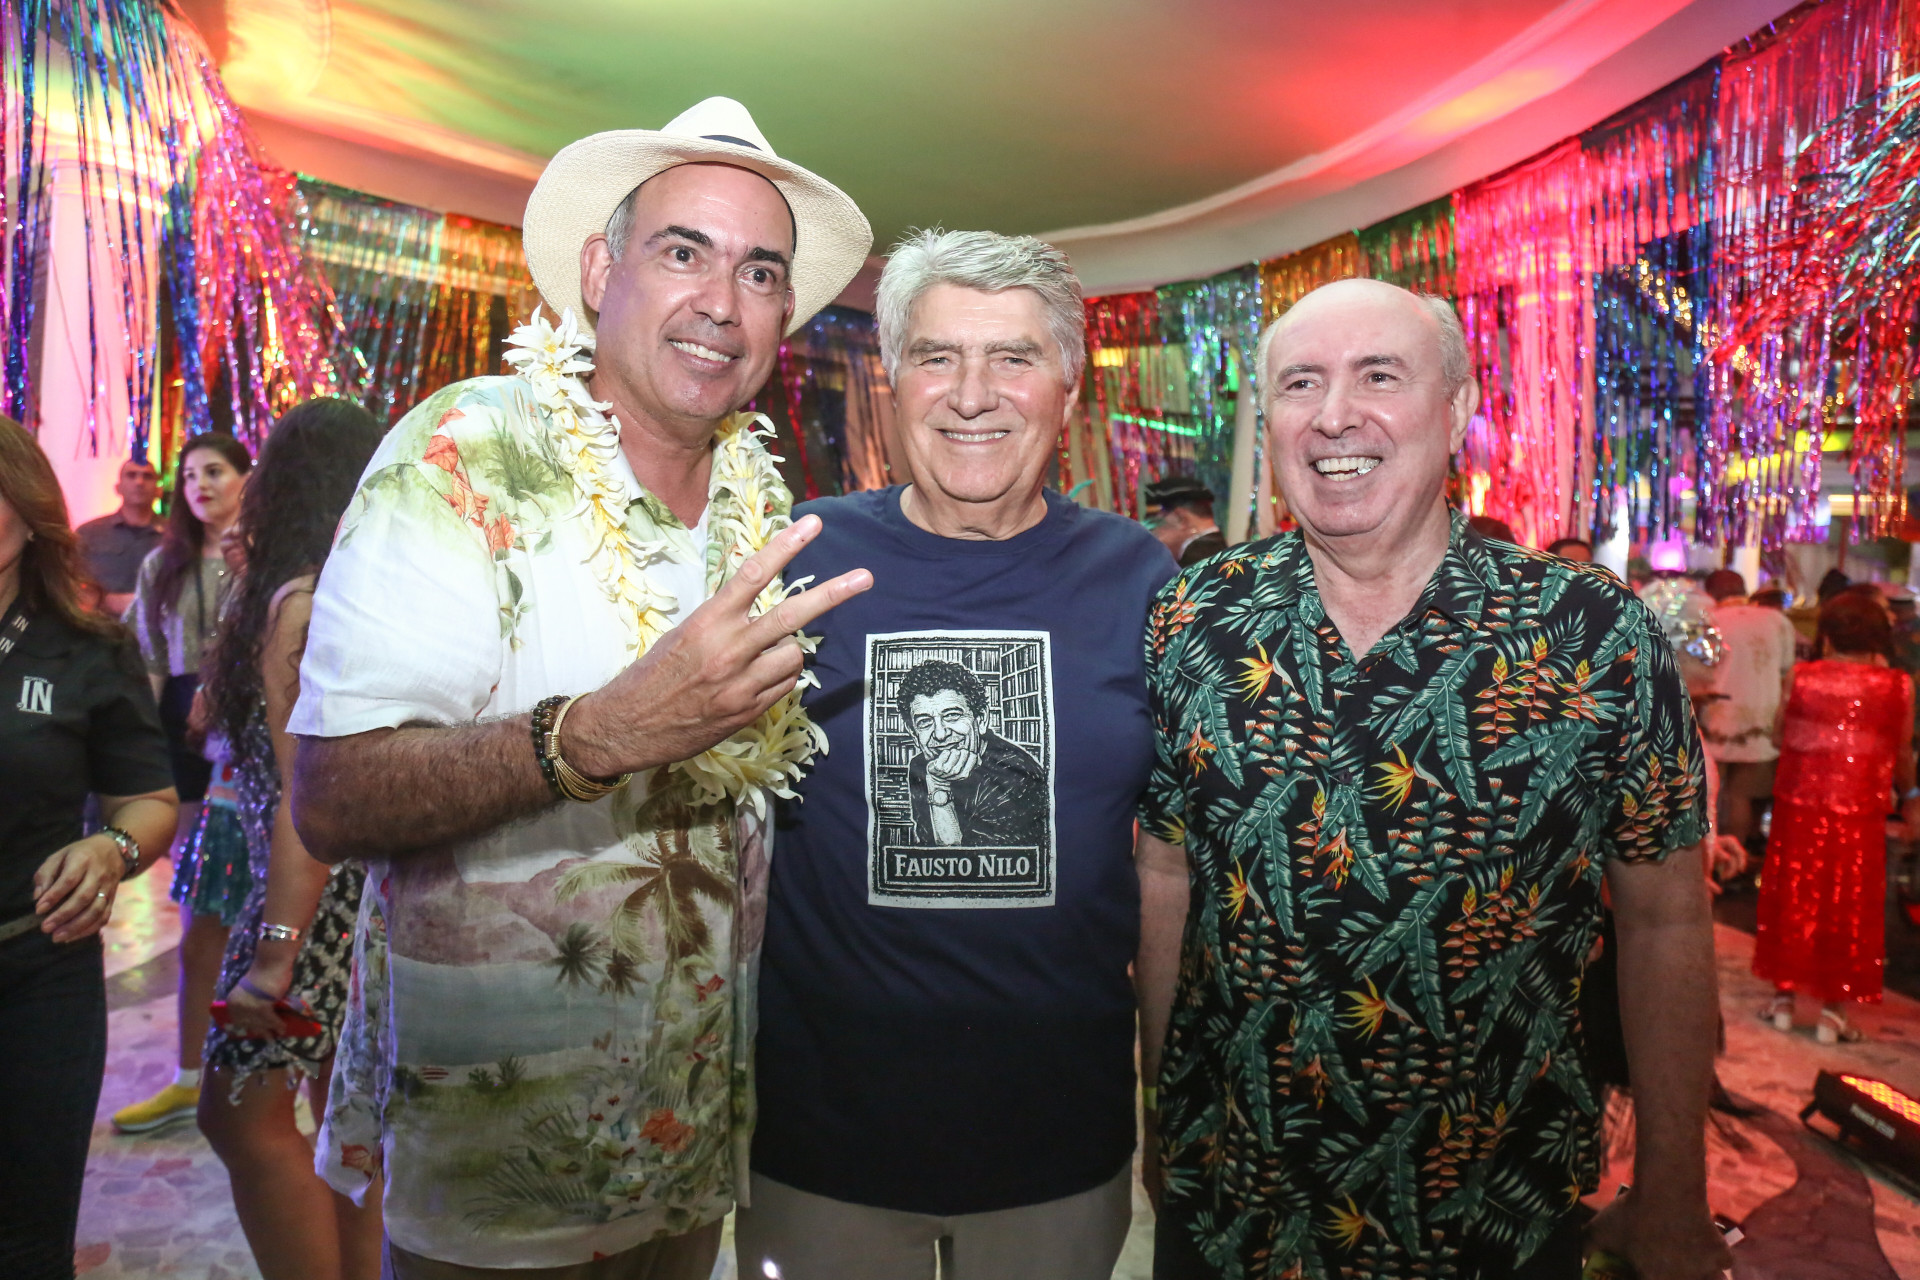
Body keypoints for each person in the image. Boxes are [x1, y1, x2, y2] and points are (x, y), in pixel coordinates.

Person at [287, 97, 873, 1277]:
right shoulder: (466, 449)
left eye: (761, 271)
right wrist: (594, 735)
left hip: (690, 1147)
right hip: (503, 1168)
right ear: (601, 273)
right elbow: (333, 794)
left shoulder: (760, 504)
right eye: (683, 251)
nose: (723, 300)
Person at [1135, 279, 1728, 1280]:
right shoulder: (1195, 615)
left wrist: (1675, 1183)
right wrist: (1161, 1114)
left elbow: (1666, 918)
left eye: (1379, 376)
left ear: (1455, 411)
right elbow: (1165, 877)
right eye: (1300, 383)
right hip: (1234, 1200)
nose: (1334, 415)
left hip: (1492, 1214)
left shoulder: (1594, 634)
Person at [737, 230, 1176, 1280]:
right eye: (938, 356)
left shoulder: (1139, 576)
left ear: (1067, 387)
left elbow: (1173, 862)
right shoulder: (798, 552)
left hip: (1057, 1147)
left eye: (1013, 357)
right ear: (892, 383)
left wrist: (1168, 1096)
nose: (972, 394)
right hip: (819, 1148)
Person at [193, 399, 387, 1280]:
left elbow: (301, 801)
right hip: (360, 890)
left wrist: (273, 957)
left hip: (312, 896)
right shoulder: (341, 592)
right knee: (350, 1130)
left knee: (238, 1119)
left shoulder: (299, 604)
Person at [0, 416, 178, 1279]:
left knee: (27, 1241)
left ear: (28, 508)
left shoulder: (86, 647)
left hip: (36, 970)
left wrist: (110, 848)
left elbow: (148, 801)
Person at [114, 430, 253, 1134]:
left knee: (253, 909)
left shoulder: (267, 560)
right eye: (190, 474)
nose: (200, 485)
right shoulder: (161, 563)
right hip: (180, 731)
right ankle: (194, 1075)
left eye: (215, 471)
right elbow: (143, 656)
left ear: (246, 479)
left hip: (249, 740)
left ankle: (258, 1074)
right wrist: (136, 746)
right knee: (202, 903)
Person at [1753, 591, 1917, 1045]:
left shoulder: (1801, 677)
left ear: (1827, 635)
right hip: (1860, 809)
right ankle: (1832, 1012)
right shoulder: (1897, 686)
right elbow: (1902, 754)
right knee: (1849, 900)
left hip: (1799, 805)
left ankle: (1783, 1000)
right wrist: (1912, 797)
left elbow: (1779, 734)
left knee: (1793, 894)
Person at [1697, 569, 1796, 853]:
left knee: (1706, 797)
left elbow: (1697, 668)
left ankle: (1711, 858)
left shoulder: (1707, 620)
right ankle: (1736, 860)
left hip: (1716, 715)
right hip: (1761, 719)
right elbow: (1786, 670)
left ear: (1711, 593)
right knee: (1742, 797)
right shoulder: (1777, 621)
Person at [75, 456, 162, 615]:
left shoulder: (175, 536)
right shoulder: (89, 534)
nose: (139, 482)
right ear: (118, 487)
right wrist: (108, 602)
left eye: (147, 476)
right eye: (131, 475)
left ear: (158, 490)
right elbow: (70, 587)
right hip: (101, 626)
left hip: (159, 626)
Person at [1142, 474, 1225, 567]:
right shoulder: (1222, 553)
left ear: (1181, 519)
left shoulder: (1192, 566)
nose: (1156, 536)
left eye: (1155, 525)